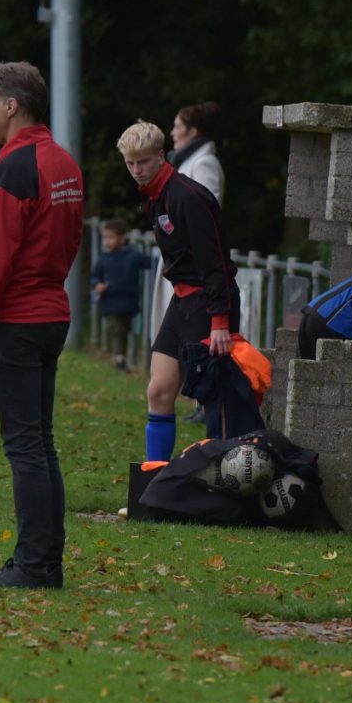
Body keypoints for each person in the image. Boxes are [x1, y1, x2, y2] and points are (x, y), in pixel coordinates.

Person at [0, 61, 84, 588]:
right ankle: (45, 562)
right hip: (51, 311)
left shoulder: (12, 168)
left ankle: (33, 565)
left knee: (25, 447)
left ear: (11, 106)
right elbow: (69, 240)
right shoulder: (63, 161)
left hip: (16, 318)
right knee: (41, 443)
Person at [120, 120, 237, 462]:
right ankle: (155, 474)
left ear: (161, 156)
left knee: (214, 398)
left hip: (207, 302)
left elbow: (215, 262)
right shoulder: (154, 197)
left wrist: (219, 320)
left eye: (143, 161)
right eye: (130, 163)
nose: (137, 170)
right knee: (158, 391)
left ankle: (224, 474)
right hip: (181, 301)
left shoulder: (187, 197)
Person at [89, 220, 147, 371]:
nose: (107, 241)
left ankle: (125, 357)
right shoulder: (103, 258)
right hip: (110, 302)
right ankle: (118, 357)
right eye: (105, 237)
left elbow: (150, 262)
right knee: (116, 330)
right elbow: (95, 276)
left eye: (111, 237)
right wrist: (97, 285)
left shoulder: (133, 256)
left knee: (126, 330)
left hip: (128, 302)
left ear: (122, 238)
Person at [170, 101, 225, 204]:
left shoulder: (204, 163)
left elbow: (209, 207)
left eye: (177, 127)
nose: (172, 133)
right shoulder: (190, 162)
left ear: (192, 132)